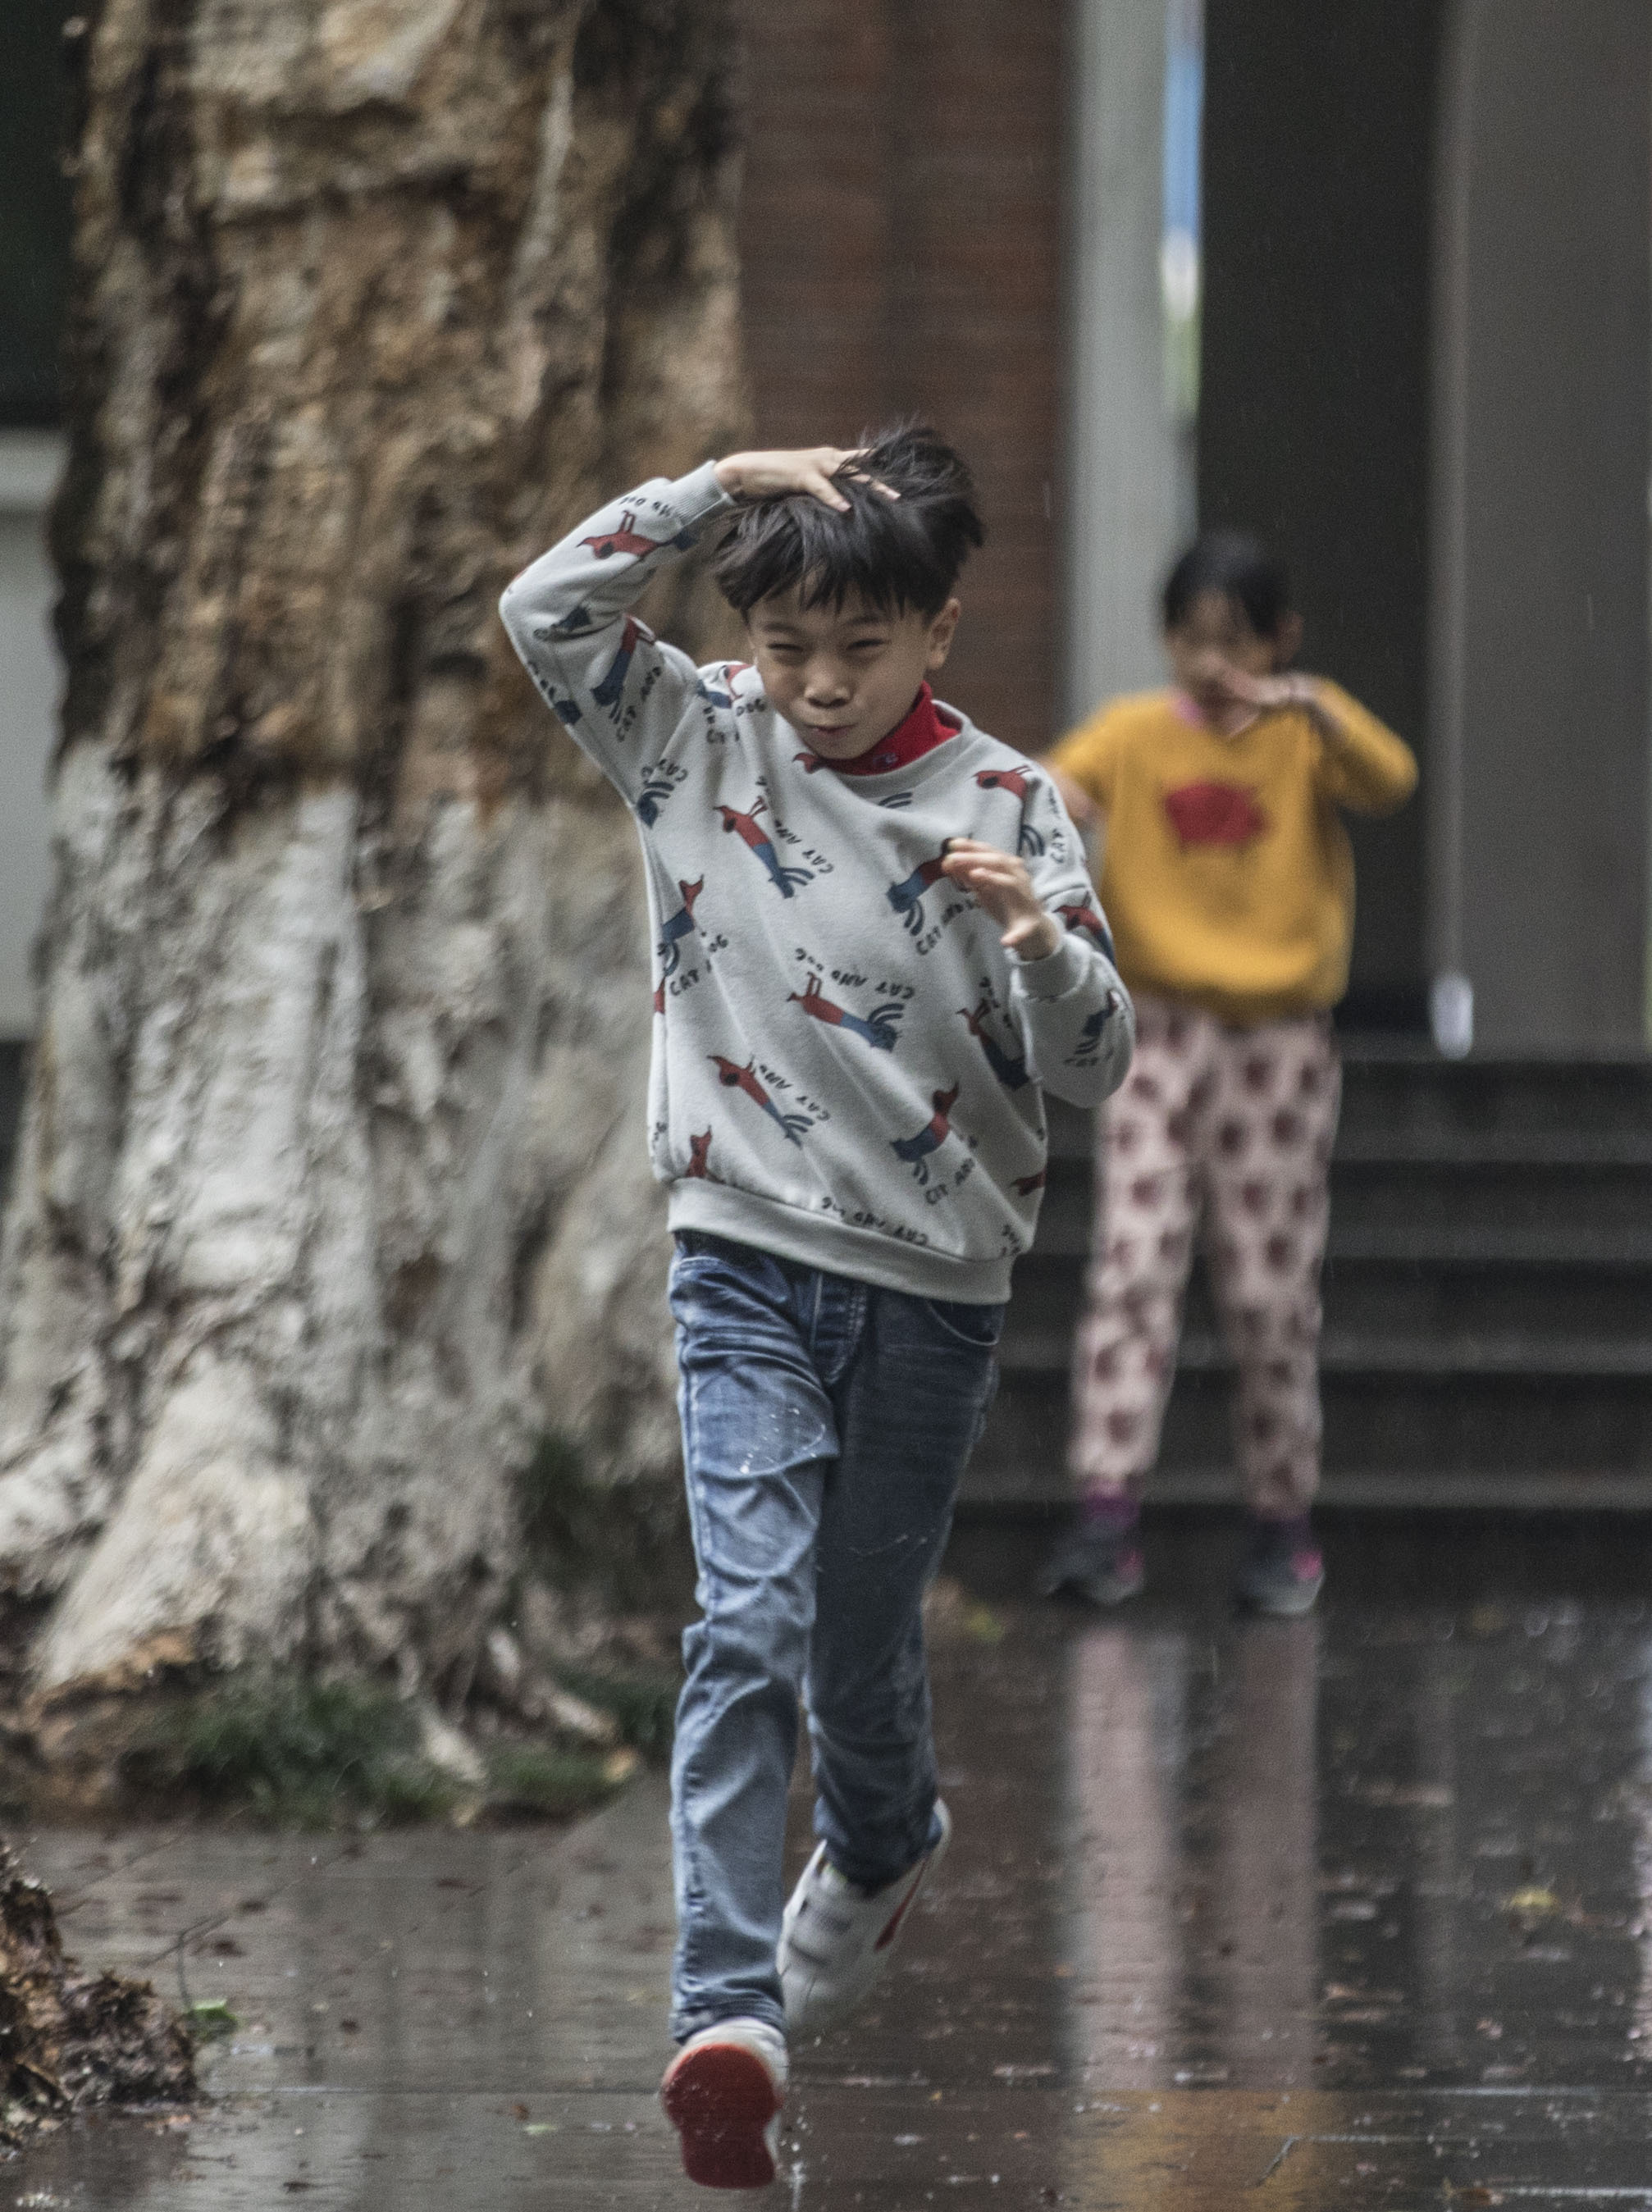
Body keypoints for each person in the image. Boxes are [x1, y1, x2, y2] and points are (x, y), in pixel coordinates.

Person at [500, 426, 1132, 2190]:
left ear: (935, 630)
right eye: (789, 645)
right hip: (742, 1255)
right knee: (745, 1622)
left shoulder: (1009, 804)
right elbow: (539, 606)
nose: (820, 683)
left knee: (859, 1649)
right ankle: (728, 2014)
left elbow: (1094, 1066)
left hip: (931, 1287)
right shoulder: (696, 731)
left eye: (861, 646)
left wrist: (1040, 945)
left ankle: (882, 1834)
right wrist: (716, 484)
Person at [1038, 531, 1416, 1620]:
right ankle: (1104, 1515)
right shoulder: (1134, 733)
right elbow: (1055, 792)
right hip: (1154, 1030)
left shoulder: (1303, 737)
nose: (1212, 661)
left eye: (1235, 638)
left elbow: (1389, 778)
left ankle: (1280, 1523)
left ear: (1276, 638)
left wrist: (1305, 701)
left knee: (1265, 1286)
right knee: (1133, 1259)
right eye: (1193, 638)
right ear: (1165, 638)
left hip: (1277, 1040)